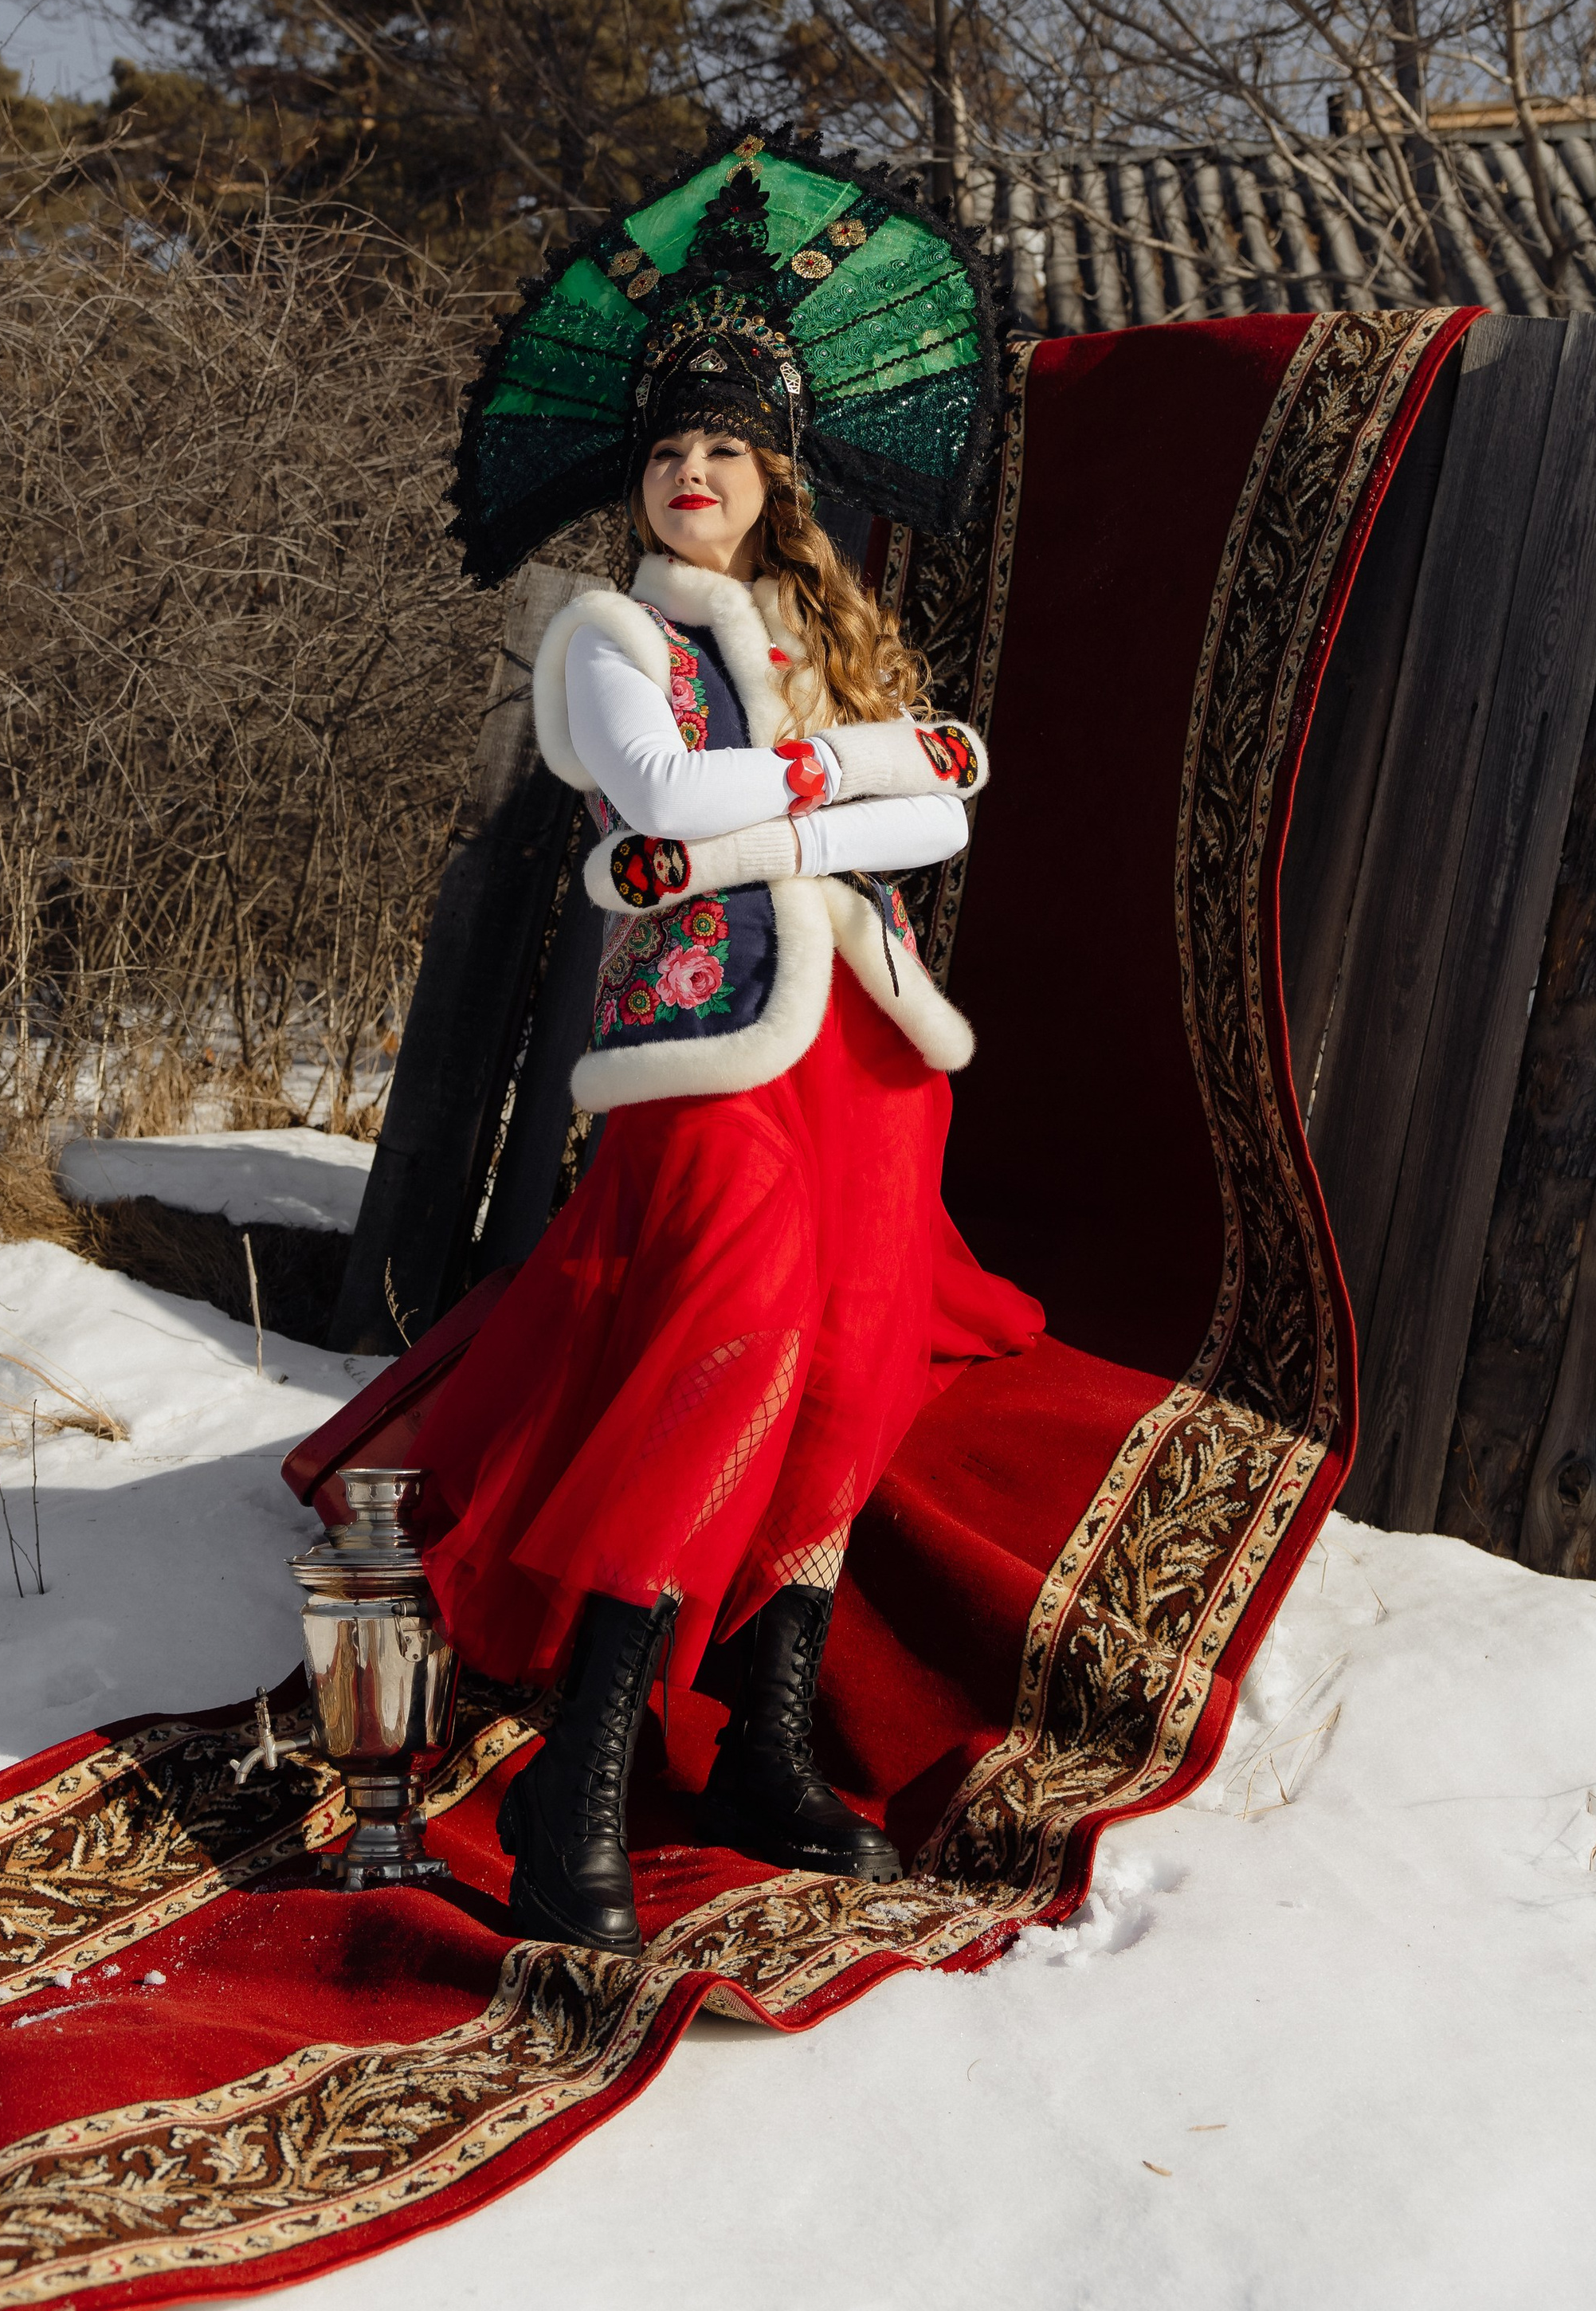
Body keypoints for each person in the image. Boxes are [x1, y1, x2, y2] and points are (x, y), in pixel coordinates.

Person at [406, 251, 1044, 1956]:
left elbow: (942, 822)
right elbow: (662, 790)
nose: (692, 474)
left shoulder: (831, 630)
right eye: (668, 452)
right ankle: (577, 1782)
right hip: (708, 1046)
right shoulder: (610, 635)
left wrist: (779, 811)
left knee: (845, 1378)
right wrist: (856, 776)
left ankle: (767, 1749)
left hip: (872, 1050)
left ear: (777, 481)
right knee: (734, 1342)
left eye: (726, 452)